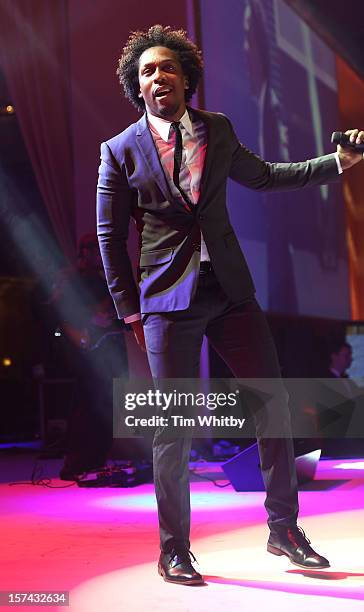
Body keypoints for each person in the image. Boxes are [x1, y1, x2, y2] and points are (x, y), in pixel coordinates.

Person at [96, 25, 364, 584]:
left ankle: (283, 529)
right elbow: (108, 237)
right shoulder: (119, 151)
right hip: (167, 301)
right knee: (174, 427)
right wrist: (129, 311)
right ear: (136, 86)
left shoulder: (216, 130)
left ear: (186, 77)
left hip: (230, 292)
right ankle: (175, 549)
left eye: (167, 67)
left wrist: (335, 163)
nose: (158, 76)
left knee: (274, 405)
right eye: (147, 71)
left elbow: (265, 176)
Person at [51, 233, 129, 480]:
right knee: (87, 404)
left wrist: (116, 319)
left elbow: (119, 314)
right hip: (88, 349)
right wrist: (90, 319)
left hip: (110, 347)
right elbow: (63, 312)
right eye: (95, 249)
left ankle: (97, 459)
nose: (99, 254)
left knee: (108, 403)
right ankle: (76, 462)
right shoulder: (72, 278)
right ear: (84, 251)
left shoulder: (106, 277)